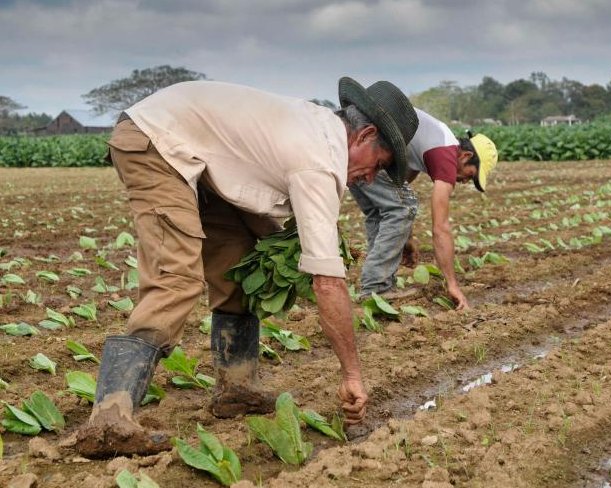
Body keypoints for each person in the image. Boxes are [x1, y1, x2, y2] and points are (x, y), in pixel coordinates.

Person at [74, 77, 418, 458]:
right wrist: (352, 374)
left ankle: (236, 389)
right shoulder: (318, 159)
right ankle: (110, 419)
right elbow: (327, 282)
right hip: (158, 141)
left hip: (198, 157)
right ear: (364, 135)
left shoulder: (319, 133)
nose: (370, 178)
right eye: (380, 164)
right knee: (176, 279)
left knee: (237, 266)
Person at [349, 108, 498, 309]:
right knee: (404, 206)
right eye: (471, 175)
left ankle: (373, 288)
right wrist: (452, 284)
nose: (465, 181)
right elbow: (440, 228)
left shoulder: (433, 144)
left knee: (383, 211)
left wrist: (405, 238)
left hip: (352, 147)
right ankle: (377, 288)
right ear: (466, 155)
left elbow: (399, 187)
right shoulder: (446, 153)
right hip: (367, 150)